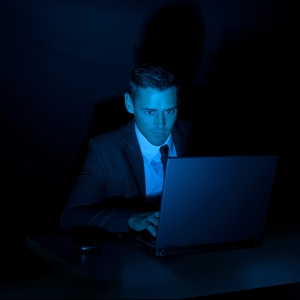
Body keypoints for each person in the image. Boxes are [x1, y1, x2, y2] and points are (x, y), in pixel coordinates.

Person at [60, 62, 194, 237]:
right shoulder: (105, 151)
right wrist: (131, 219)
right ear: (129, 104)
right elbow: (70, 217)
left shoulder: (197, 137)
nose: (160, 124)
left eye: (169, 111)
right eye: (150, 112)